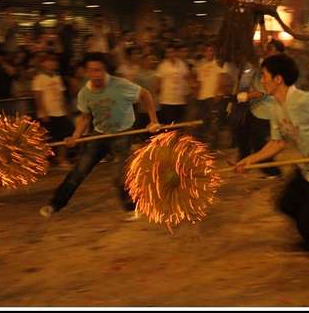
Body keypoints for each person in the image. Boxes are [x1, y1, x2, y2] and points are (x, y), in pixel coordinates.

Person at [236, 53, 309, 273]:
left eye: (264, 76)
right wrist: (250, 159)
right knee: (287, 204)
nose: (262, 80)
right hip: (307, 170)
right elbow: (277, 142)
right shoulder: (275, 105)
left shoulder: (305, 101)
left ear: (278, 79)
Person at [39, 52, 160, 220]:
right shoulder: (85, 93)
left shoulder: (120, 85)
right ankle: (54, 204)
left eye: (99, 70)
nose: (96, 74)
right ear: (85, 72)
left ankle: (131, 208)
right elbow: (85, 117)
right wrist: (75, 136)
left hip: (122, 133)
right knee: (79, 170)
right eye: (91, 70)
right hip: (100, 134)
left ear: (105, 70)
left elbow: (145, 94)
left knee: (119, 175)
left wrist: (153, 121)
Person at [32, 53, 73, 169]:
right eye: (49, 61)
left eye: (54, 61)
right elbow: (38, 97)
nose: (52, 63)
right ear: (43, 63)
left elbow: (61, 95)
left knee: (63, 136)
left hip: (60, 111)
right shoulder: (39, 78)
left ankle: (62, 159)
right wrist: (43, 112)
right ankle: (42, 162)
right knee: (46, 139)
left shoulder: (57, 77)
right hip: (47, 113)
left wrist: (66, 110)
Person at [156, 44, 190, 124]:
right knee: (169, 124)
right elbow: (158, 82)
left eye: (172, 52)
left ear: (176, 52)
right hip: (167, 100)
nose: (171, 54)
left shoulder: (182, 64)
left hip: (180, 99)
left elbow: (187, 78)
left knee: (180, 123)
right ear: (166, 54)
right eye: (168, 52)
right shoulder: (162, 66)